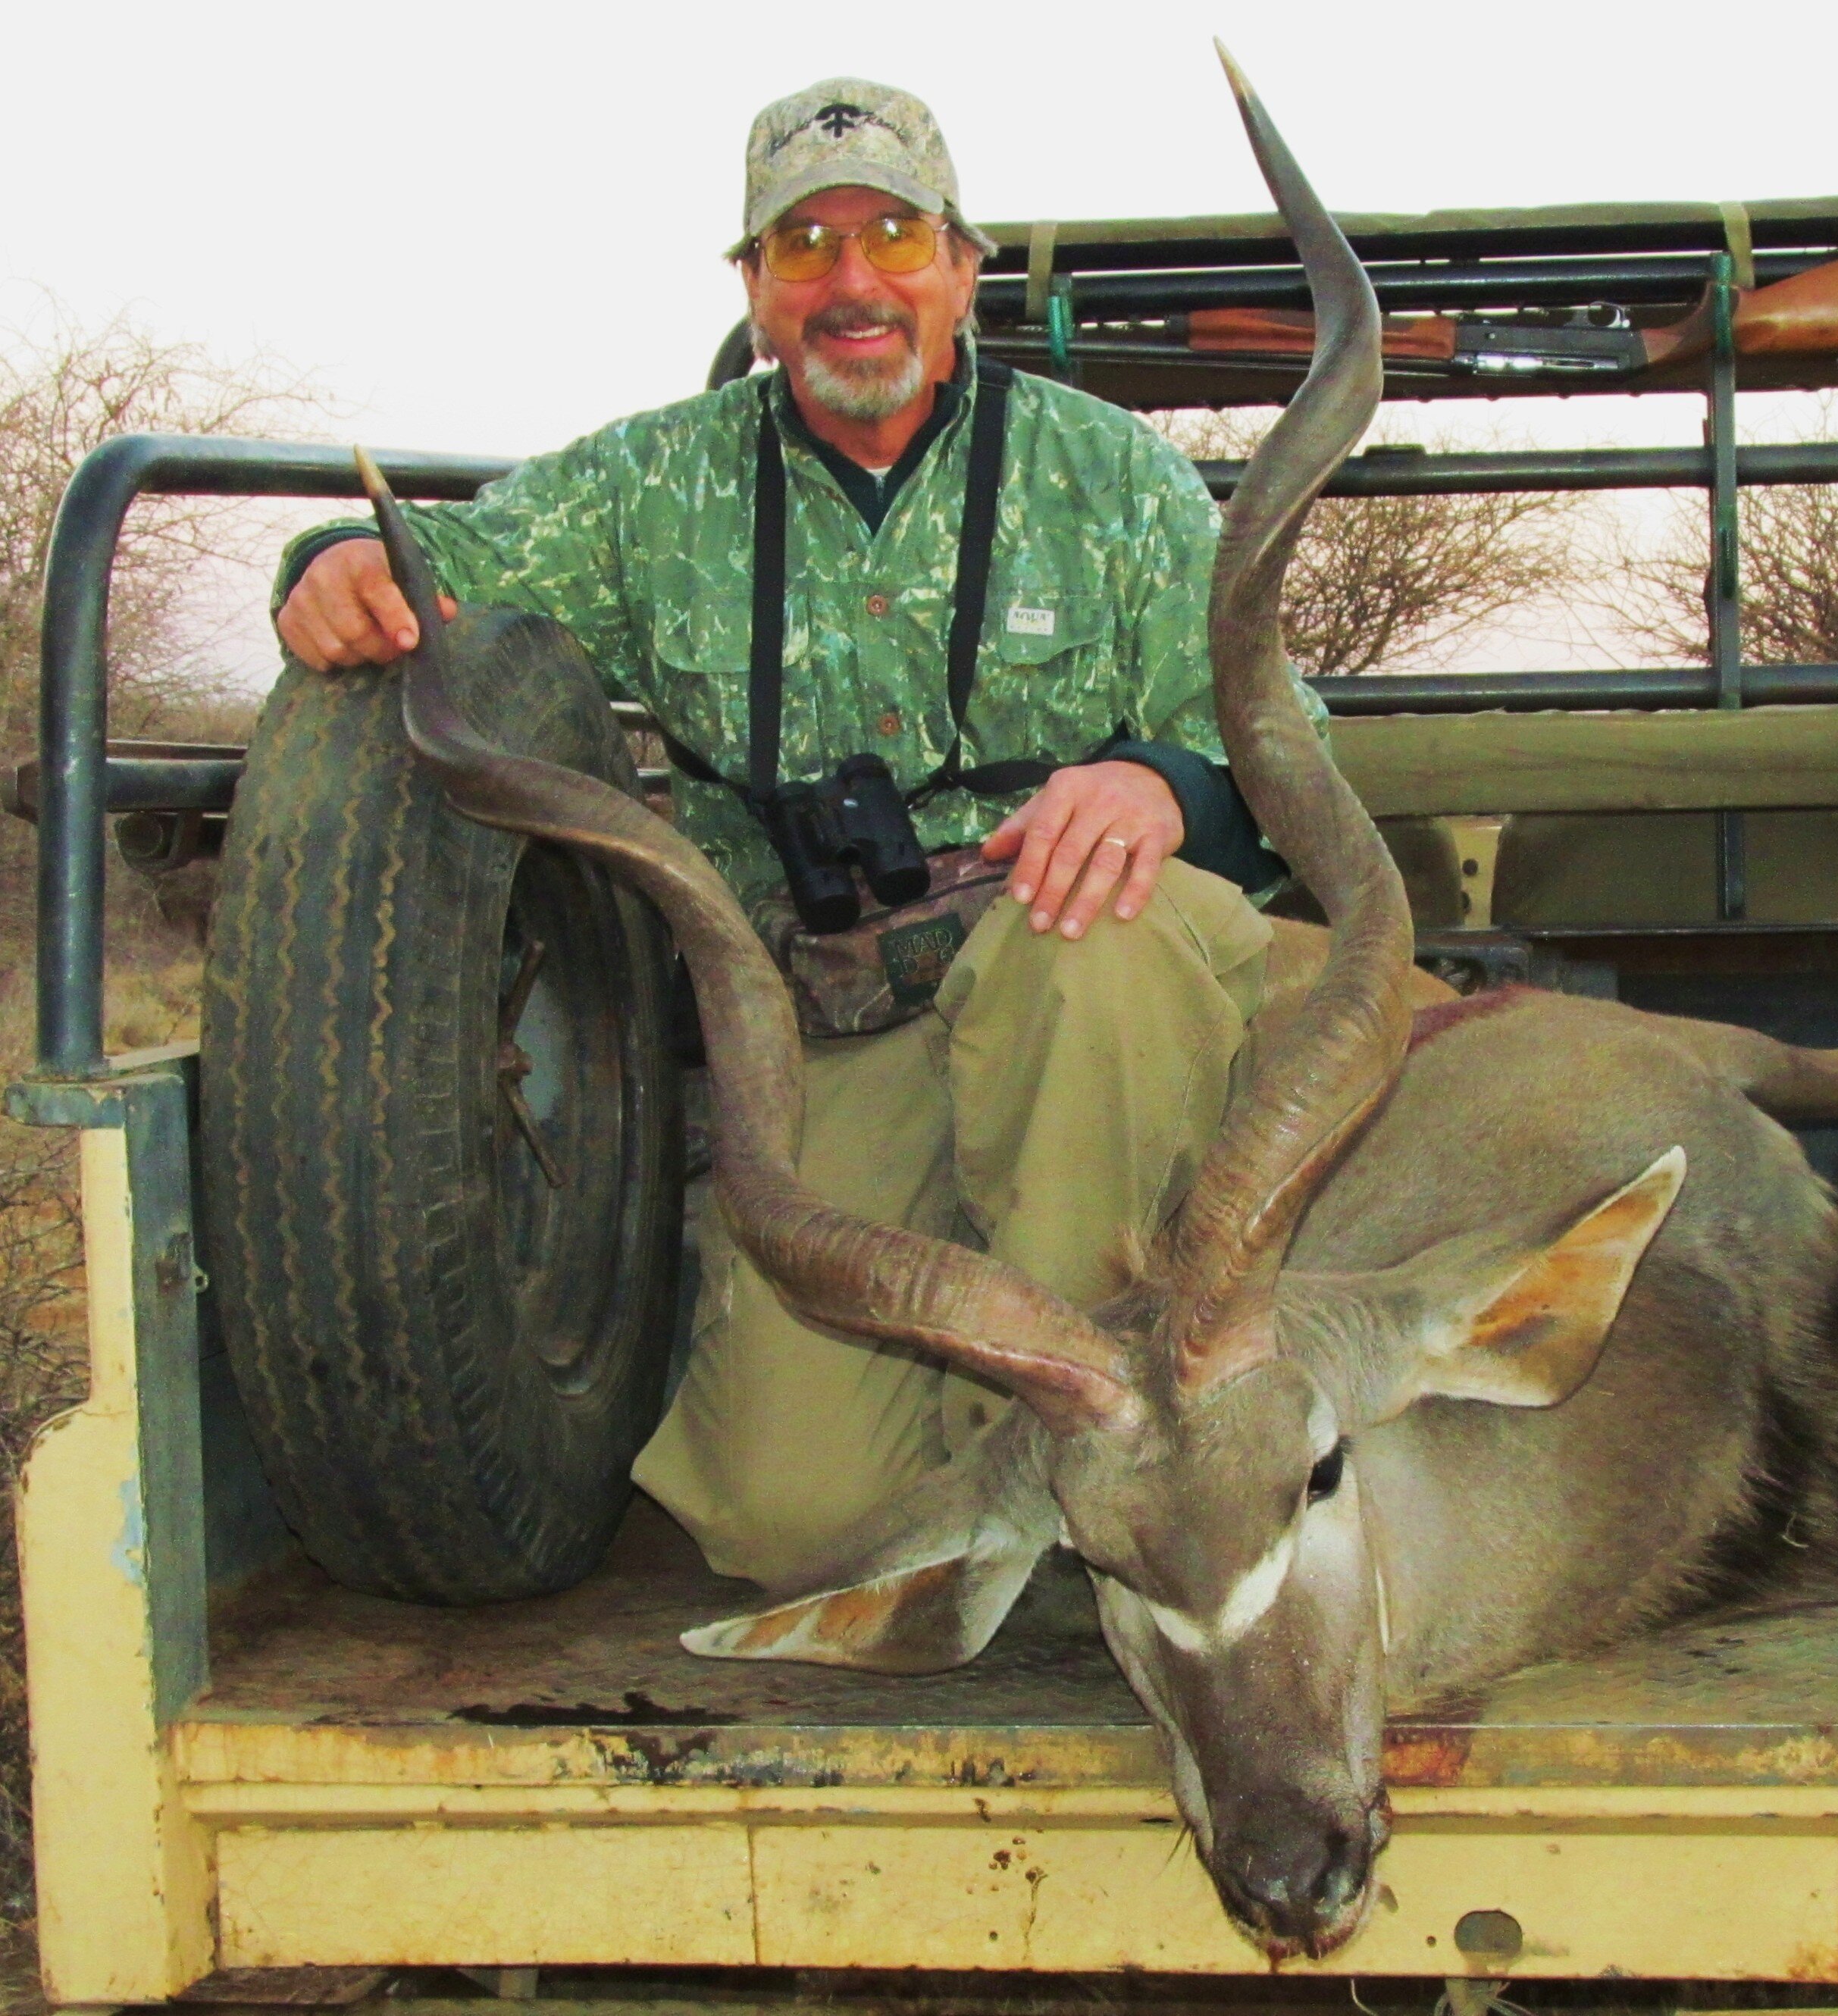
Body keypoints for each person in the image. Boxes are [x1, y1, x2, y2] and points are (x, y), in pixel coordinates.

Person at [271, 79, 1292, 1593]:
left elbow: (1276, 744)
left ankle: (1115, 1461)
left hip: (1082, 972)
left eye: (892, 235)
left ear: (962, 267)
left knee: (1097, 949)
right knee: (789, 1522)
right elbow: (439, 576)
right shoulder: (650, 484)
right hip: (838, 1014)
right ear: (753, 290)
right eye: (803, 246)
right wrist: (333, 562)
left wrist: (1154, 780)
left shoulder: (1113, 476)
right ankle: (1009, 1474)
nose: (852, 281)